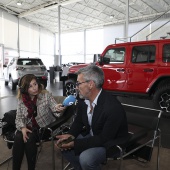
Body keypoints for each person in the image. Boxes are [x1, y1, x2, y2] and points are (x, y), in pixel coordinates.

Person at [55, 65, 129, 170]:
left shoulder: (112, 108)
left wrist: (75, 143)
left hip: (111, 143)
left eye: (79, 83)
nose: (76, 87)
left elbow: (104, 138)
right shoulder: (83, 100)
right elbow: (79, 121)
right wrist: (70, 136)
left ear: (90, 84)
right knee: (63, 146)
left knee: (86, 159)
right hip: (94, 135)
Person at [12, 74, 65, 170]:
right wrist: (23, 128)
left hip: (45, 128)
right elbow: (18, 118)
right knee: (19, 135)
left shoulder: (45, 96)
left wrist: (57, 109)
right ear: (24, 89)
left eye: (35, 84)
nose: (34, 88)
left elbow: (54, 108)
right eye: (30, 86)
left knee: (29, 137)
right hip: (30, 127)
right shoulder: (21, 100)